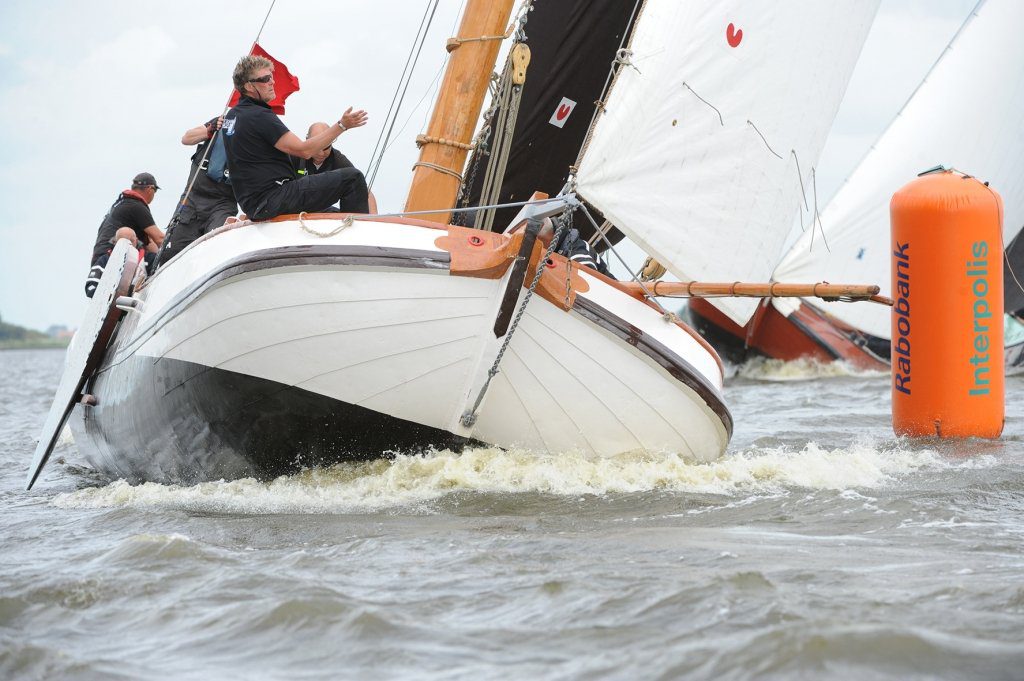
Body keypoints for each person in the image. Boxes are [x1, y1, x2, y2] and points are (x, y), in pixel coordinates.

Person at [222, 55, 370, 220]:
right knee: (353, 178)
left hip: (255, 204)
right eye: (265, 79)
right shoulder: (258, 115)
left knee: (333, 214)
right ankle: (356, 238)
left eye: (271, 77)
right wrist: (342, 125)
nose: (272, 82)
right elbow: (304, 151)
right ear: (249, 86)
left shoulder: (232, 116)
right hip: (272, 199)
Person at [155, 116, 239, 266]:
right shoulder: (222, 122)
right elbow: (186, 138)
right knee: (171, 253)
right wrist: (210, 129)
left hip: (223, 204)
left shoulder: (258, 134)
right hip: (192, 199)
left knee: (216, 246)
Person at [84, 173, 164, 297]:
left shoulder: (121, 205)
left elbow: (150, 242)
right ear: (150, 189)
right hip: (112, 258)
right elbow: (159, 239)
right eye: (155, 191)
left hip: (100, 259)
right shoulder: (136, 206)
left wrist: (159, 256)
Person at [291, 122, 378, 212]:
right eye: (317, 148)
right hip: (295, 206)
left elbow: (362, 188)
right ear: (307, 140)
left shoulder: (338, 160)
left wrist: (374, 220)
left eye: (326, 148)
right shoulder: (295, 155)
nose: (321, 153)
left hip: (321, 209)